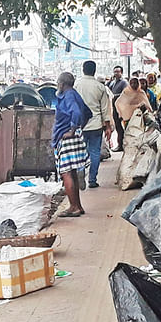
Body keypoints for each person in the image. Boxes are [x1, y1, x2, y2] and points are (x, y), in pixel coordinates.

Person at [52, 72, 91, 217]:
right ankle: (77, 206)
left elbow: (76, 112)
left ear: (61, 84)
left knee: (66, 172)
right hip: (73, 136)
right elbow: (88, 113)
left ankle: (73, 206)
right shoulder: (74, 94)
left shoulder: (68, 95)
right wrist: (79, 128)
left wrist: (73, 130)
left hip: (67, 137)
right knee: (72, 171)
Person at [74, 60, 114, 189]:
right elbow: (105, 109)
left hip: (80, 125)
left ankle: (80, 172)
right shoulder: (100, 87)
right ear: (94, 70)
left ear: (83, 70)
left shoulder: (76, 85)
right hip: (96, 124)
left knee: (80, 152)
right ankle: (92, 180)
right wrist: (107, 127)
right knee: (95, 153)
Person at [107, 65, 128, 151]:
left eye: (118, 72)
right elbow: (107, 88)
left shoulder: (123, 82)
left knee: (121, 127)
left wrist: (113, 96)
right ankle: (120, 144)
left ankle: (121, 144)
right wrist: (110, 81)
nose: (116, 73)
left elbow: (125, 93)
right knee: (117, 127)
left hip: (121, 108)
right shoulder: (113, 82)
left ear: (121, 73)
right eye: (115, 72)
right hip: (114, 107)